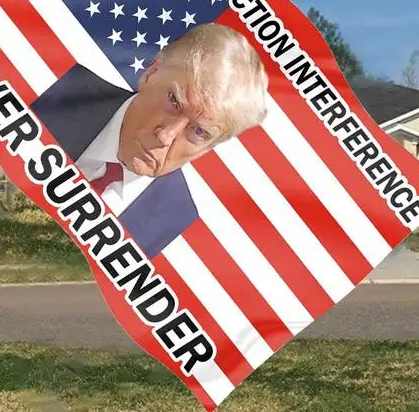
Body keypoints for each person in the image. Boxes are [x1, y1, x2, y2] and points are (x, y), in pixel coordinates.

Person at [31, 23, 268, 258]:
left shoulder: (179, 234)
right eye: (174, 101)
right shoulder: (43, 94)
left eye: (199, 132)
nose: (165, 136)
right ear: (151, 71)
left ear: (210, 147)